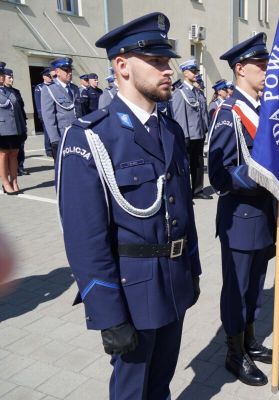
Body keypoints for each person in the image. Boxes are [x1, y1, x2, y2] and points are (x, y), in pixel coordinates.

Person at [56, 12, 201, 399]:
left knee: (160, 384)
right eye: (156, 61)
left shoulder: (170, 130)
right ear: (122, 66)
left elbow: (183, 211)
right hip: (131, 294)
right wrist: (107, 313)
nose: (167, 70)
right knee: (131, 391)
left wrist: (193, 269)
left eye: (167, 61)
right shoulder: (90, 137)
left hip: (174, 281)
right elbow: (85, 239)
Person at [208, 32, 279, 386]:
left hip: (265, 216)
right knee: (236, 290)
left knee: (255, 286)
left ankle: (250, 340)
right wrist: (260, 176)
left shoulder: (263, 108)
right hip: (240, 220)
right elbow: (218, 175)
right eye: (261, 65)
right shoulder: (229, 113)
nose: (267, 71)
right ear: (240, 69)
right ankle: (234, 352)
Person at [171, 59, 211, 199]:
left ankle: (197, 190)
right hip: (187, 135)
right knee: (185, 165)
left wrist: (205, 129)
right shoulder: (180, 92)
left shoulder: (197, 92)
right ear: (185, 73)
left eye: (196, 71)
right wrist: (183, 135)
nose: (195, 74)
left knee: (198, 163)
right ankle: (185, 193)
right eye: (193, 71)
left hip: (198, 134)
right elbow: (179, 115)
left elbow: (203, 113)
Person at [40, 57, 81, 160]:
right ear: (57, 72)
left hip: (77, 133)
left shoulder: (75, 88)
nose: (70, 73)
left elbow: (79, 112)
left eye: (70, 70)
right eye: (66, 70)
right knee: (63, 166)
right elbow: (48, 117)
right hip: (62, 135)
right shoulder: (49, 89)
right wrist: (55, 139)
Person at [0, 66, 27, 194]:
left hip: (15, 128)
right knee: (3, 155)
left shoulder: (11, 91)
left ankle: (14, 181)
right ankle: (5, 183)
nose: (2, 77)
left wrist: (23, 128)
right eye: (7, 76)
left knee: (14, 154)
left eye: (2, 74)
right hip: (2, 129)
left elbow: (18, 111)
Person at [3, 69, 29, 176]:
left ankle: (20, 167)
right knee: (6, 150)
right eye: (9, 77)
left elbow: (21, 108)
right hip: (7, 125)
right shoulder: (2, 92)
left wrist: (24, 123)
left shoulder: (16, 91)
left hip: (19, 123)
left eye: (12, 77)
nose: (12, 79)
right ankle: (7, 169)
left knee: (20, 146)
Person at [34, 68, 55, 157]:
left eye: (51, 76)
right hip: (45, 113)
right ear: (44, 77)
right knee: (47, 131)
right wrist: (40, 114)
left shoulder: (54, 86)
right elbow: (38, 102)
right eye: (48, 76)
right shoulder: (39, 87)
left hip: (54, 112)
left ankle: (55, 147)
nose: (50, 77)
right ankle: (48, 149)